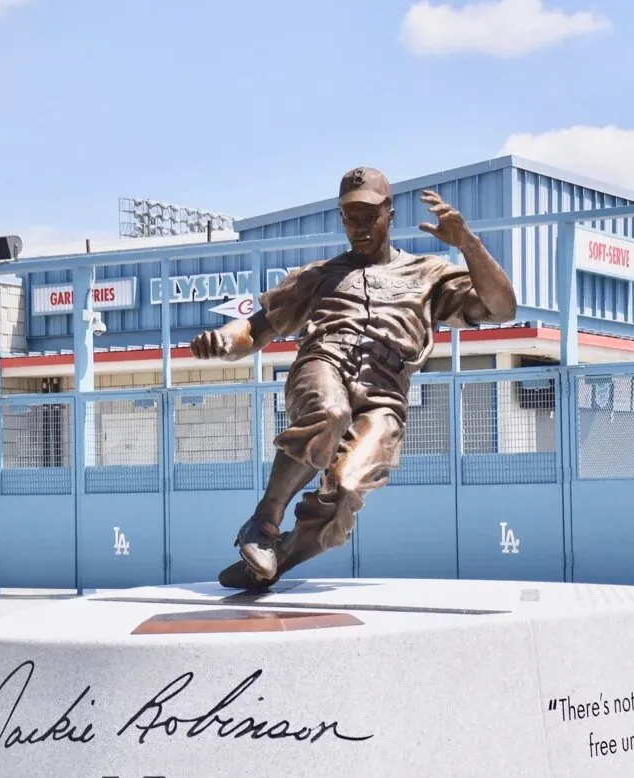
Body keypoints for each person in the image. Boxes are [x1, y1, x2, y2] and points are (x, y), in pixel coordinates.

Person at [190, 166, 518, 590]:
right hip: (325, 359)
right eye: (350, 217)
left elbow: (503, 308)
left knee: (345, 488)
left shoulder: (429, 273)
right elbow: (256, 328)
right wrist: (221, 340)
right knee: (330, 412)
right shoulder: (318, 276)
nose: (359, 226)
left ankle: (272, 562)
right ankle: (264, 524)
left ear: (390, 213)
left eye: (369, 215)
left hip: (385, 393)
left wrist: (468, 244)